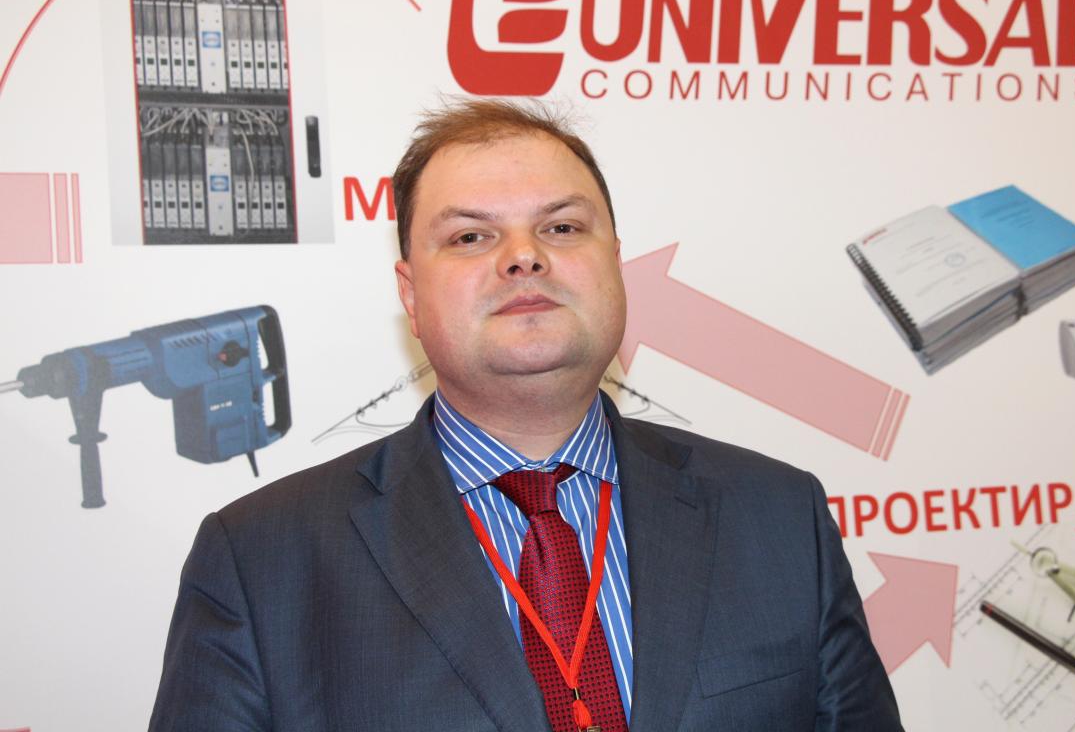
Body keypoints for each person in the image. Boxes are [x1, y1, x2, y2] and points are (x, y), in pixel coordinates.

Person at [150, 99, 903, 731]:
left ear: (615, 265)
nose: (524, 257)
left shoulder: (778, 516)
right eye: (470, 237)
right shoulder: (261, 561)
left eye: (562, 228)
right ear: (411, 295)